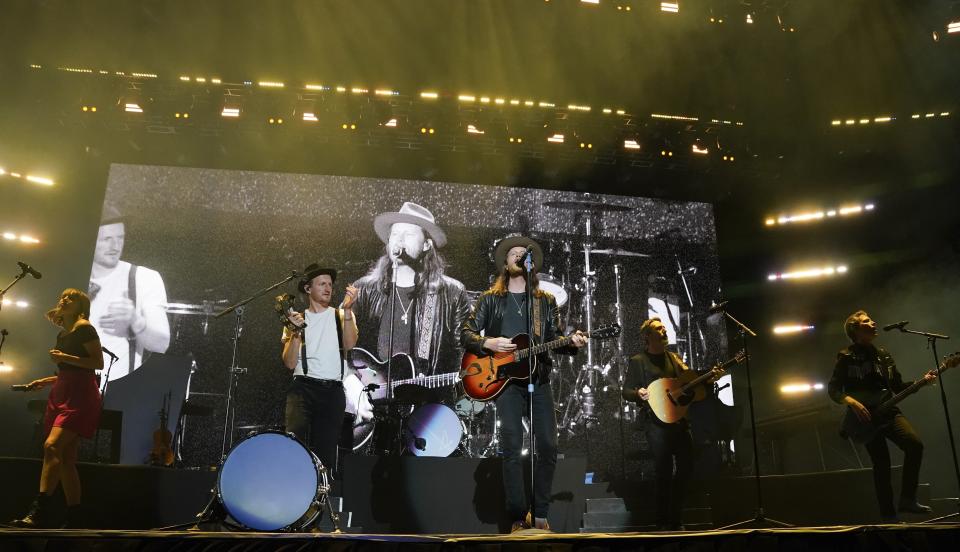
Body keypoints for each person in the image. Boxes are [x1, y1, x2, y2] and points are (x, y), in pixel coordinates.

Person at [461, 234, 587, 532]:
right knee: (511, 447)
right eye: (513, 253)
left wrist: (573, 343)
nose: (519, 256)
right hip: (504, 382)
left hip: (538, 379)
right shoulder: (490, 299)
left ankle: (540, 513)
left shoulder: (545, 301)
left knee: (547, 445)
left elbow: (555, 339)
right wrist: (489, 342)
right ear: (505, 263)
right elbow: (466, 334)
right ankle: (518, 515)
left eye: (523, 253)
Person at [348, 202, 472, 425]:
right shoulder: (364, 290)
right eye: (394, 233)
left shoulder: (451, 293)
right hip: (370, 410)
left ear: (426, 245)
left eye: (408, 233)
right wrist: (348, 380)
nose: (399, 239)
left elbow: (463, 354)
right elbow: (336, 344)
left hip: (426, 410)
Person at [828, 310, 935, 522]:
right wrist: (852, 402)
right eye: (867, 321)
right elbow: (834, 390)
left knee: (914, 445)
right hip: (866, 417)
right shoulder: (846, 357)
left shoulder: (884, 355)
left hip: (889, 412)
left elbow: (896, 386)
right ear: (855, 330)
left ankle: (907, 499)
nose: (874, 322)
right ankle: (888, 516)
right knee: (882, 465)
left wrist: (922, 381)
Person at [9, 289, 104, 528]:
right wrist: (46, 380)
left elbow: (97, 363)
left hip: (80, 395)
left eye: (71, 297)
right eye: (62, 296)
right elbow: (68, 370)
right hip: (62, 391)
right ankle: (76, 517)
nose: (63, 299)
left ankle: (38, 511)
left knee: (52, 446)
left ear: (81, 305)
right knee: (66, 460)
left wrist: (64, 357)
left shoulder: (85, 328)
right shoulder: (63, 335)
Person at [621, 317, 711, 531]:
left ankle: (675, 517)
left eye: (663, 328)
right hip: (656, 422)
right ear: (648, 336)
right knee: (663, 470)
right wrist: (639, 393)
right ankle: (663, 522)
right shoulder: (638, 361)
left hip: (679, 422)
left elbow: (689, 382)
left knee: (686, 466)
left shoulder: (674, 359)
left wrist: (708, 377)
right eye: (658, 329)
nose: (663, 330)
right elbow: (626, 391)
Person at [281, 263, 358, 478]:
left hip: (331, 391)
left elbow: (350, 344)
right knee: (294, 446)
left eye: (330, 284)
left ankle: (321, 501)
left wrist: (349, 310)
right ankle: (291, 493)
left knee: (324, 453)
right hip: (302, 389)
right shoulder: (296, 318)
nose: (328, 288)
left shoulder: (341, 315)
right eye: (322, 283)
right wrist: (295, 333)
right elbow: (288, 363)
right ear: (308, 289)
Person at [88, 206, 170, 383]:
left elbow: (161, 345)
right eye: (107, 239)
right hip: (68, 390)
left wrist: (135, 321)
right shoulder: (70, 276)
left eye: (120, 237)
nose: (115, 246)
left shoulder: (143, 278)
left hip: (117, 392)